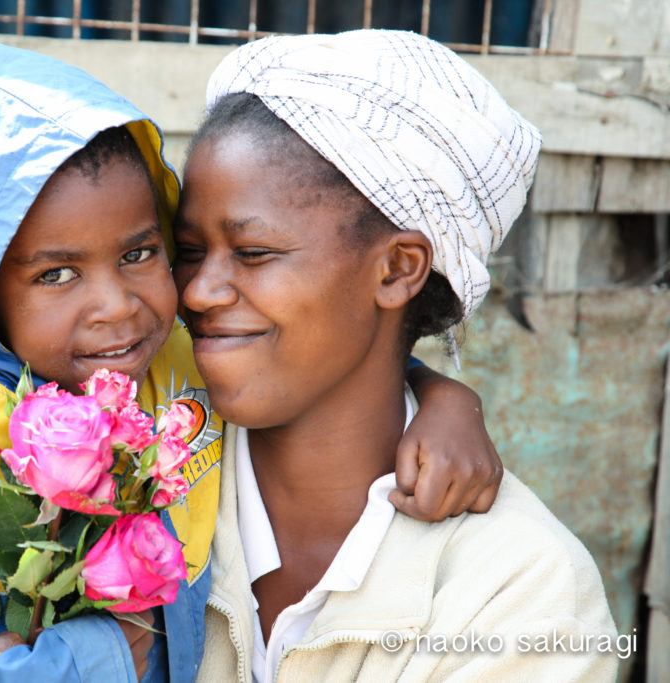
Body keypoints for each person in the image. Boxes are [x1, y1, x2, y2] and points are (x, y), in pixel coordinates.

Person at [0, 28, 504, 683]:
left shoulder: (170, 365)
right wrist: (82, 662)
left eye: (140, 252)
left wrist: (442, 399)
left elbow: (339, 355)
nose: (118, 305)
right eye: (56, 274)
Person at [171, 32, 617, 680]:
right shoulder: (134, 471)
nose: (196, 290)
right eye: (188, 250)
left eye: (255, 253)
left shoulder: (522, 593)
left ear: (397, 268)